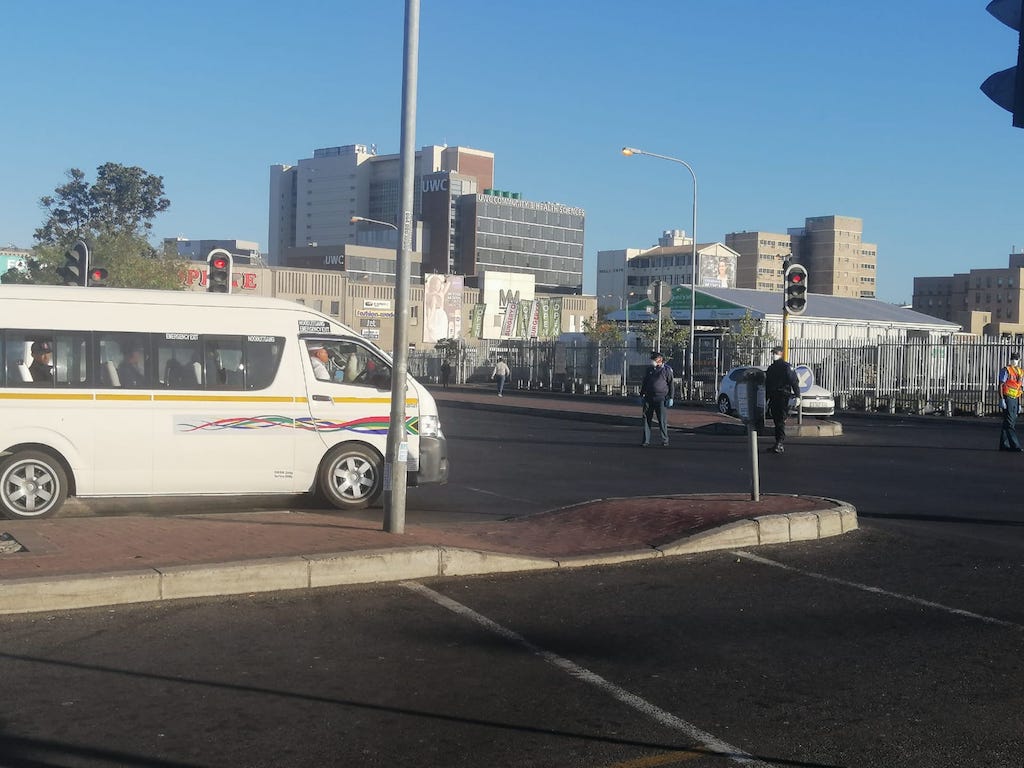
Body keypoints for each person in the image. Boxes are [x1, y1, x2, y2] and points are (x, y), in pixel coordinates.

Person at [764, 345, 800, 454]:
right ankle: (777, 443)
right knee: (776, 420)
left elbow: (794, 381)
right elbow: (767, 384)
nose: (774, 355)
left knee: (780, 420)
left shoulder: (786, 367)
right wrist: (766, 399)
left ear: (781, 354)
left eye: (776, 353)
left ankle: (779, 443)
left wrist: (797, 396)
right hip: (774, 396)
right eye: (773, 353)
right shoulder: (771, 368)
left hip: (782, 396)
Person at [639, 351, 673, 447]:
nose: (652, 361)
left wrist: (670, 397)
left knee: (662, 420)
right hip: (649, 397)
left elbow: (671, 384)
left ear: (660, 360)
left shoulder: (667, 370)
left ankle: (665, 439)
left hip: (661, 398)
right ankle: (646, 440)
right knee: (646, 419)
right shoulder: (649, 369)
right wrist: (641, 395)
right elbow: (645, 382)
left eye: (654, 359)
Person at [998, 351, 1023, 452]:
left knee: (1008, 422)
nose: (1014, 360)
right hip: (1007, 398)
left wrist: (1019, 404)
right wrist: (1001, 399)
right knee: (1009, 422)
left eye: (1016, 358)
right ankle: (1015, 445)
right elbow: (1001, 385)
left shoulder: (1020, 372)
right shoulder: (1006, 370)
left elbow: (1019, 389)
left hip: (1015, 399)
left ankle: (1003, 445)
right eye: (1013, 358)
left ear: (1019, 360)